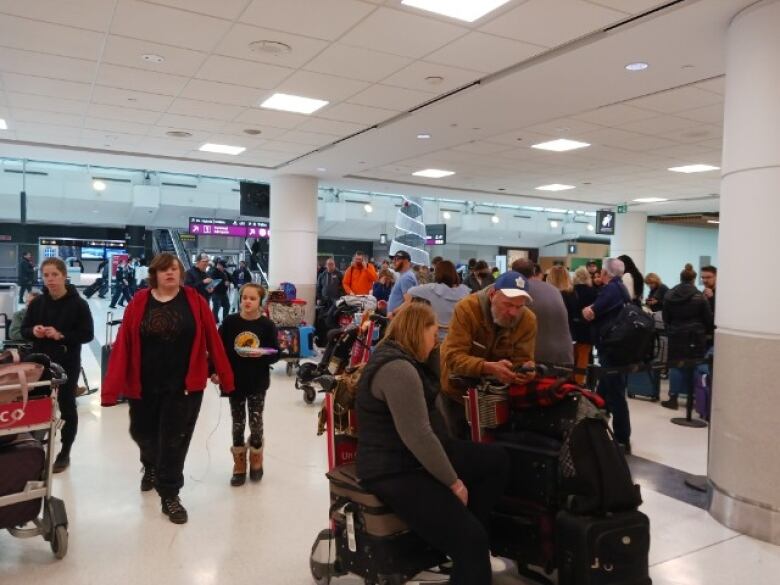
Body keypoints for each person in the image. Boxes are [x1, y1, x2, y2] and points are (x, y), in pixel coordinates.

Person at [356, 303, 509, 585]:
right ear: (417, 332)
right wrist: (453, 483)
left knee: (495, 460)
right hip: (394, 469)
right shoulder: (398, 369)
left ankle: (455, 534)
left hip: (407, 457)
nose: (437, 338)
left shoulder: (408, 361)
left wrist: (434, 354)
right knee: (471, 541)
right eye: (433, 331)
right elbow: (417, 435)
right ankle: (465, 542)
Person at [102, 253, 235, 524]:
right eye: (164, 270)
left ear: (181, 273)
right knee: (143, 433)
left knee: (174, 440)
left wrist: (224, 375)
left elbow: (213, 339)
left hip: (184, 386)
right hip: (145, 384)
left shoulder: (196, 302)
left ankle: (170, 493)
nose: (170, 274)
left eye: (174, 269)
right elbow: (124, 343)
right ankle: (150, 464)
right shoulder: (139, 301)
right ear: (155, 274)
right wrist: (110, 389)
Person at [440, 271, 537, 438]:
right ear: (492, 295)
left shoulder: (528, 320)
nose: (513, 312)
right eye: (508, 304)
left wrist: (525, 371)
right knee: (457, 445)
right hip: (458, 394)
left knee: (494, 449)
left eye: (519, 306)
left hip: (496, 400)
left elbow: (523, 359)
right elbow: (452, 357)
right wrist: (487, 367)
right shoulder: (467, 309)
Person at [22, 258, 94, 472]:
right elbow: (23, 329)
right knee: (36, 404)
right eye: (46, 275)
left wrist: (61, 335)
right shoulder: (37, 303)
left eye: (54, 274)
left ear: (64, 275)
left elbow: (87, 334)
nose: (50, 279)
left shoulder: (79, 304)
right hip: (40, 360)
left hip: (67, 362)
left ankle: (65, 452)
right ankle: (34, 449)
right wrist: (34, 331)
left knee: (67, 405)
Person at [217, 283, 279, 485]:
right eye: (244, 297)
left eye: (252, 298)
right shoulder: (229, 322)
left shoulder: (267, 325)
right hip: (234, 381)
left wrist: (260, 353)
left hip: (257, 381)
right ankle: (239, 463)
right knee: (237, 423)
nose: (247, 301)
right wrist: (214, 370)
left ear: (260, 301)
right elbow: (219, 350)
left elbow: (275, 353)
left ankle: (256, 459)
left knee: (255, 421)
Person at [582, 258, 632, 453]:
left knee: (616, 393)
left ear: (605, 273)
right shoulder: (622, 288)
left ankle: (622, 437)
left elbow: (591, 313)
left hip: (610, 347)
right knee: (603, 390)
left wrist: (586, 309)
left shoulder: (611, 289)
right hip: (617, 346)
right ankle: (595, 430)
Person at [661, 264, 714, 409]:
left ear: (680, 278)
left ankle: (673, 398)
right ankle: (696, 399)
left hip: (676, 334)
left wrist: (672, 328)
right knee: (696, 365)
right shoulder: (700, 296)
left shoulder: (669, 295)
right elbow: (708, 319)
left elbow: (666, 317)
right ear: (693, 279)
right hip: (696, 336)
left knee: (675, 366)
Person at [512, 259, 573, 366]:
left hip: (535, 358)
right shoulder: (554, 290)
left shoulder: (518, 290)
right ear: (534, 271)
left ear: (512, 273)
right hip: (564, 355)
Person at [404, 260, 470, 342]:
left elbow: (410, 291)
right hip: (458, 338)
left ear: (437, 273)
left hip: (436, 338)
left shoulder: (431, 289)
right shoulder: (466, 291)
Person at [571, 267, 598, 384]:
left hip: (572, 328)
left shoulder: (570, 291)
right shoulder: (593, 292)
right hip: (587, 328)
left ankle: (569, 379)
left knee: (572, 355)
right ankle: (580, 381)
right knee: (583, 356)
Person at [209, 260, 230, 324]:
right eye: (223, 267)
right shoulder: (214, 272)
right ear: (219, 266)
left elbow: (230, 278)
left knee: (227, 306)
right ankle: (214, 320)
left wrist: (230, 282)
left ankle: (225, 319)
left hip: (223, 293)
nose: (224, 268)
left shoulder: (224, 272)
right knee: (216, 307)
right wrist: (224, 283)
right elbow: (213, 283)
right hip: (216, 293)